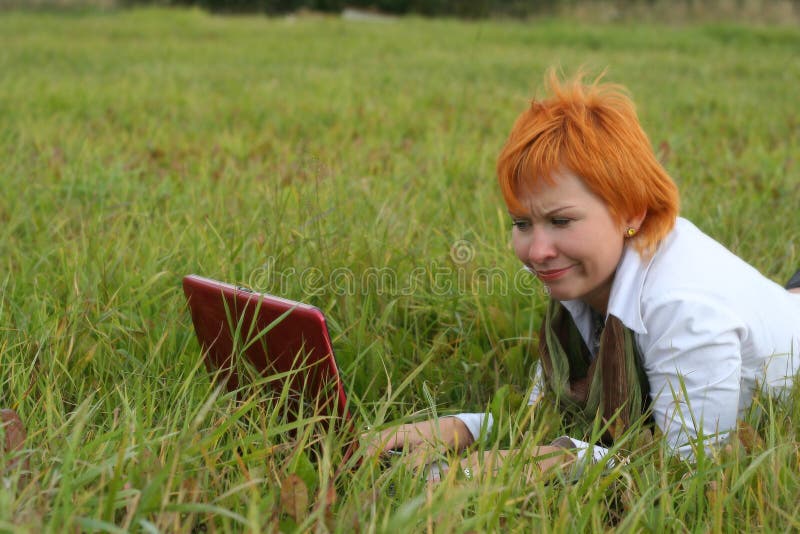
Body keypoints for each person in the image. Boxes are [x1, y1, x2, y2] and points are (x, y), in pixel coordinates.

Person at [366, 70, 800, 479]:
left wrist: (536, 463)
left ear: (631, 210)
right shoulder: (588, 275)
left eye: (561, 221)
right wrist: (457, 428)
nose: (536, 252)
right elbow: (549, 416)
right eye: (522, 224)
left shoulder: (683, 309)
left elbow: (686, 469)